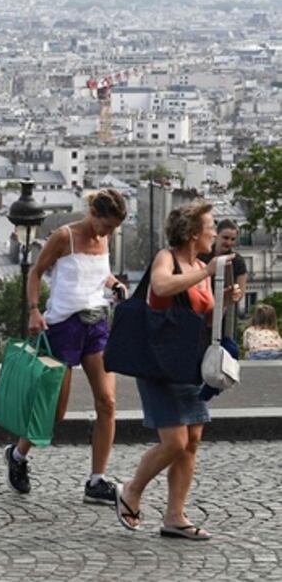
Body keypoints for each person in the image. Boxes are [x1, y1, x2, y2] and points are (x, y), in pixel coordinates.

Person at [116, 202, 243, 541]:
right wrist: (207, 273)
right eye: (210, 227)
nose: (214, 233)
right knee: (174, 442)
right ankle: (131, 489)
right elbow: (160, 288)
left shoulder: (199, 264)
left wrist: (227, 299)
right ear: (192, 234)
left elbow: (196, 316)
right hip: (159, 364)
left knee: (192, 441)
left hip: (187, 363)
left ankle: (175, 516)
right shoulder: (168, 258)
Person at [5, 188, 128, 504]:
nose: (109, 232)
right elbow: (36, 272)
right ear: (94, 214)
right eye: (108, 225)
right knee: (53, 413)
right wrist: (34, 309)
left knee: (108, 401)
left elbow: (101, 274)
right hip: (63, 327)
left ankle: (96, 480)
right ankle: (18, 456)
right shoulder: (64, 236)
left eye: (114, 228)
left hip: (97, 323)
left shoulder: (105, 239)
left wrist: (115, 284)